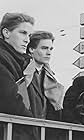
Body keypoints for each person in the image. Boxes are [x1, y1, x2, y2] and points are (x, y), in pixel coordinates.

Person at [0, 12, 35, 140]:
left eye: (29, 35)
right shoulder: (3, 58)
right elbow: (9, 101)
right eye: (23, 33)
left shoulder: (17, 61)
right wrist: (34, 126)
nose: (27, 40)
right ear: (6, 33)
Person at [26, 31, 64, 140]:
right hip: (24, 131)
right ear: (31, 49)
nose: (49, 53)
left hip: (44, 133)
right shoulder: (23, 71)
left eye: (51, 49)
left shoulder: (50, 77)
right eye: (44, 48)